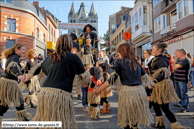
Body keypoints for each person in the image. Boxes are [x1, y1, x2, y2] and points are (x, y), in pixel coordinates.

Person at [23, 34, 91, 129]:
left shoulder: (50, 57)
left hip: (44, 94)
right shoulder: (73, 57)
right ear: (69, 45)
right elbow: (85, 76)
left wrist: (28, 77)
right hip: (60, 95)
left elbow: (39, 67)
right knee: (62, 124)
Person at [93, 43, 154, 129]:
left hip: (128, 94)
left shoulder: (119, 62)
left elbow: (111, 80)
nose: (118, 54)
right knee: (134, 120)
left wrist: (97, 90)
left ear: (122, 52)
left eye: (119, 52)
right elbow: (146, 77)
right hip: (140, 93)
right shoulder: (136, 62)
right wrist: (154, 84)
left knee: (127, 121)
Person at [150, 43, 187, 129]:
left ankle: (175, 125)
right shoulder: (159, 58)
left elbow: (164, 73)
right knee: (155, 104)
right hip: (158, 85)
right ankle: (160, 124)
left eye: (153, 49)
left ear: (159, 50)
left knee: (164, 107)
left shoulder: (162, 60)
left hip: (162, 85)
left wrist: (154, 81)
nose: (152, 50)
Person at [0, 43, 31, 127]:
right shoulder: (15, 57)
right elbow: (12, 66)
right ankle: (26, 124)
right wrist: (18, 74)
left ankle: (26, 124)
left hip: (8, 82)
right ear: (17, 49)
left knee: (6, 104)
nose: (24, 51)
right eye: (23, 50)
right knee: (17, 103)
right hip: (9, 84)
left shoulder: (13, 56)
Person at [70, 33, 82, 100]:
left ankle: (77, 94)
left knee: (76, 83)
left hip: (75, 71)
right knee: (74, 83)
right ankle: (77, 95)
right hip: (72, 70)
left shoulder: (69, 44)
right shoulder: (77, 44)